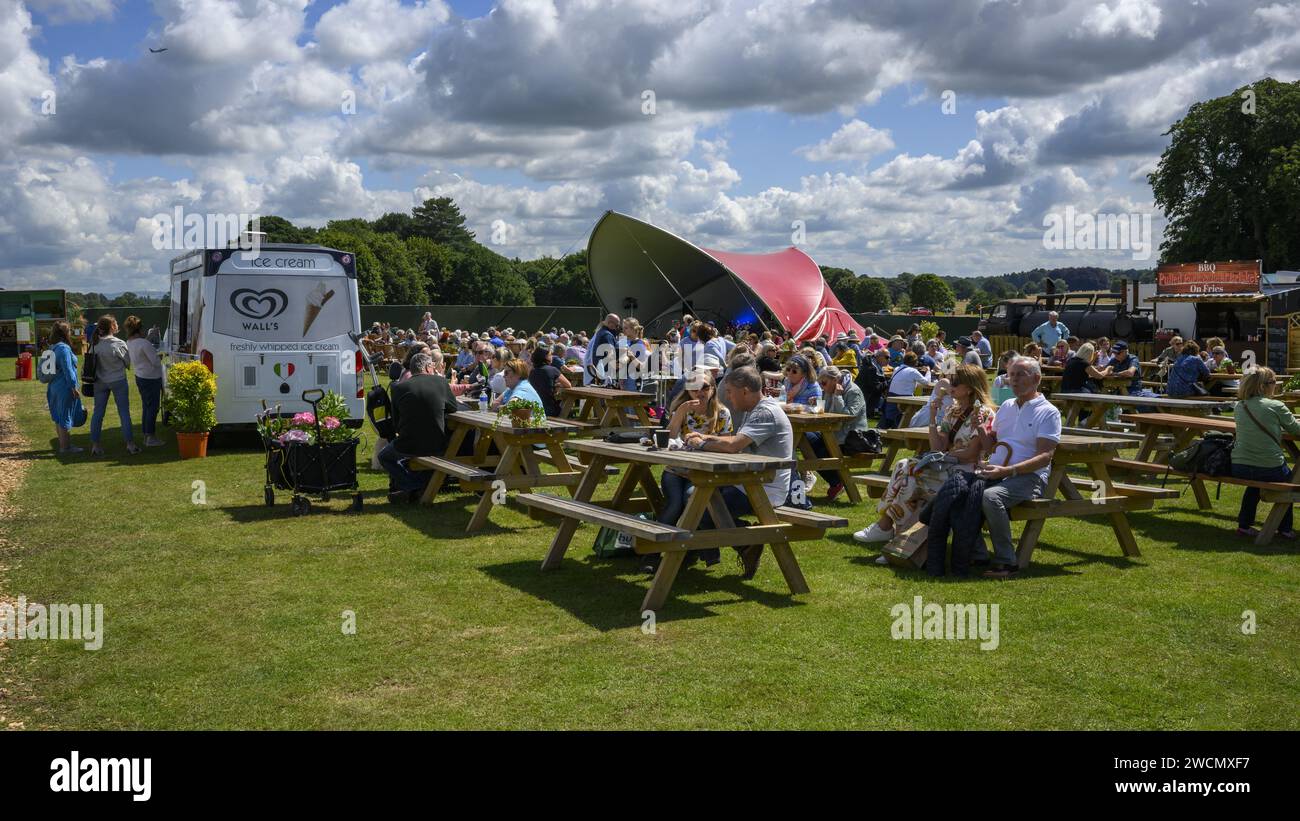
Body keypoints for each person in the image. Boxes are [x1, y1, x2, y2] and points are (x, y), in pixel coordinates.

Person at [854, 364, 996, 554]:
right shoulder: (952, 411)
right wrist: (932, 415)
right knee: (905, 468)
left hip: (966, 473)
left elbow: (971, 454)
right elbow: (938, 446)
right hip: (947, 467)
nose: (950, 385)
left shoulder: (984, 413)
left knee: (910, 475)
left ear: (969, 388)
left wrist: (945, 456)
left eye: (955, 382)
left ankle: (889, 531)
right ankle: (895, 536)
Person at [683, 367, 795, 578]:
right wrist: (706, 438)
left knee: (699, 508)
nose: (727, 397)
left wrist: (700, 444)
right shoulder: (755, 409)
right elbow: (736, 442)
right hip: (750, 482)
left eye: (730, 392)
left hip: (765, 488)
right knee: (693, 497)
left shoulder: (764, 412)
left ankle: (741, 545)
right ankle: (745, 545)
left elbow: (734, 446)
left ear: (744, 391)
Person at [973, 356, 1062, 579]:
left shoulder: (1048, 412)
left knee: (991, 497)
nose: (1013, 380)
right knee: (963, 491)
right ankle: (976, 552)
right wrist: (982, 430)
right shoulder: (1006, 407)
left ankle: (1006, 562)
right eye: (1011, 375)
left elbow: (1045, 456)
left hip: (1029, 477)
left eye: (1020, 374)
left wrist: (1008, 471)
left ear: (1037, 378)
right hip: (998, 471)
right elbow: (991, 446)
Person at [642, 368, 734, 574]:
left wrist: (704, 439)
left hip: (702, 472)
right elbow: (668, 438)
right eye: (693, 388)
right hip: (676, 470)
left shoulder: (722, 413)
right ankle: (654, 554)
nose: (699, 393)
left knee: (691, 500)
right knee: (674, 504)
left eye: (704, 387)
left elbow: (729, 442)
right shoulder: (681, 409)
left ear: (712, 388)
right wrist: (681, 412)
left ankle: (691, 551)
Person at [379, 351, 461, 502]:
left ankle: (413, 487)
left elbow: (396, 423)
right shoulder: (441, 382)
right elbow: (453, 408)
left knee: (384, 457)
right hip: (437, 443)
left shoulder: (398, 387)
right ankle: (418, 487)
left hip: (408, 443)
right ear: (429, 367)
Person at [1230, 367, 1300, 539]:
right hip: (1269, 466)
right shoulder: (1275, 405)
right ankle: (1284, 529)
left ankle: (1244, 525)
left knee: (1254, 482)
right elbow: (1296, 430)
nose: (1276, 386)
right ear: (1264, 386)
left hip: (1239, 466)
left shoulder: (1240, 406)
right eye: (1274, 382)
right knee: (1290, 483)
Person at [807, 365, 870, 500]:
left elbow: (849, 416)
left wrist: (838, 397)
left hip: (852, 439)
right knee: (807, 440)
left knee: (821, 452)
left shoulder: (853, 391)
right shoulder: (830, 390)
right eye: (820, 384)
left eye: (824, 383)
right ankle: (836, 482)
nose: (822, 387)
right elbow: (828, 413)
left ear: (835, 379)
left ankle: (837, 483)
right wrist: (817, 404)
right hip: (834, 435)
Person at [88, 315, 138, 456]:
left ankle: (95, 445)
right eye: (115, 323)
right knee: (124, 413)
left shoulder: (94, 343)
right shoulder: (118, 343)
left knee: (98, 414)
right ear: (112, 327)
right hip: (118, 380)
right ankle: (130, 444)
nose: (117, 325)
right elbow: (128, 363)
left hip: (100, 381)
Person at [124, 315, 164, 447]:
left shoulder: (129, 342)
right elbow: (156, 362)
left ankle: (147, 435)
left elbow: (141, 346)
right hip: (151, 378)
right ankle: (150, 437)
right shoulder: (144, 343)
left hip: (140, 376)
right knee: (152, 408)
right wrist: (160, 356)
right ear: (139, 329)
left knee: (146, 407)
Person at [45, 321, 83, 454]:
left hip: (53, 386)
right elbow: (68, 369)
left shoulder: (53, 347)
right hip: (64, 386)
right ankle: (66, 447)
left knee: (58, 416)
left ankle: (63, 444)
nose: (71, 333)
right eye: (69, 331)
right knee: (65, 416)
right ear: (65, 333)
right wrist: (73, 387)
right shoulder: (64, 349)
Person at [880, 352, 932, 429]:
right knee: (909, 414)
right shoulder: (913, 371)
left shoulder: (897, 369)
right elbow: (927, 382)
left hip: (891, 396)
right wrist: (928, 371)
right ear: (915, 362)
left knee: (889, 419)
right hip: (905, 398)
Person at [528, 346, 571, 417]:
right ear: (546, 357)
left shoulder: (532, 372)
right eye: (550, 355)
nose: (552, 357)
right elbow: (568, 385)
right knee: (568, 410)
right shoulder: (553, 370)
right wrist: (558, 385)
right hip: (550, 409)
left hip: (535, 409)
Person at [586, 313, 621, 384]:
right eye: (617, 325)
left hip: (598, 372)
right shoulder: (607, 335)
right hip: (605, 374)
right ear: (610, 323)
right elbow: (611, 355)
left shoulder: (600, 332)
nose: (617, 328)